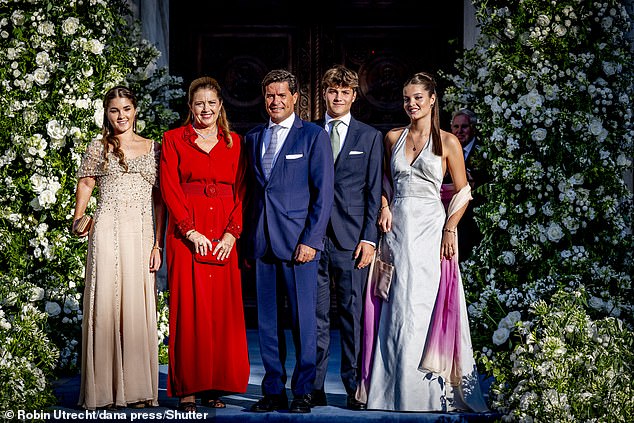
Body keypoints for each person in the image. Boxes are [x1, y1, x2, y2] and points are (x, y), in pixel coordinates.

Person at [361, 72, 488, 412]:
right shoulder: (392, 138)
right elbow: (384, 183)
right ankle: (391, 392)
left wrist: (450, 229)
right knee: (398, 303)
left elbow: (463, 192)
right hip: (398, 230)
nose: (411, 104)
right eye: (406, 98)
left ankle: (431, 394)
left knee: (425, 304)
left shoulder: (448, 142)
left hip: (433, 230)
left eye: (418, 97)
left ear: (432, 99)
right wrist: (385, 206)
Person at [242, 69, 334, 414]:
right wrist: (247, 240)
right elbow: (252, 193)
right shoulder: (252, 137)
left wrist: (311, 239)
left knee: (302, 321)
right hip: (262, 242)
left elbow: (323, 194)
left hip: (300, 246)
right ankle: (273, 389)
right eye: (269, 95)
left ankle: (304, 391)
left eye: (282, 95)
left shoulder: (312, 136)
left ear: (296, 98)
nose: (275, 101)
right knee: (267, 322)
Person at [160, 76, 249, 412]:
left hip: (224, 231)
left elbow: (242, 190)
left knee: (221, 312)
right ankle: (189, 386)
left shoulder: (235, 142)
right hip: (188, 234)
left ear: (221, 106)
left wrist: (231, 233)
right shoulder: (173, 140)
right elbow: (169, 187)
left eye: (212, 103)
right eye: (200, 103)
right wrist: (190, 230)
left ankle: (216, 385)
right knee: (189, 309)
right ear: (190, 106)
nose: (206, 109)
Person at [74, 86, 166, 410]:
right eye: (114, 110)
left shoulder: (154, 147)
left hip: (141, 232)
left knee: (137, 308)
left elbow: (160, 199)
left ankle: (139, 390)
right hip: (107, 231)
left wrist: (158, 243)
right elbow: (86, 181)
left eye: (126, 109)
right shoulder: (98, 147)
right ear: (106, 113)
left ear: (135, 110)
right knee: (107, 305)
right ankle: (104, 392)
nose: (121, 116)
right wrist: (78, 217)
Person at [312, 65, 383, 410]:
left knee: (352, 316)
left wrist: (369, 239)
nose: (337, 97)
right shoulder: (308, 133)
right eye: (332, 91)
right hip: (313, 240)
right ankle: (314, 385)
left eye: (344, 92)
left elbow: (374, 192)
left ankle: (354, 384)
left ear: (354, 96)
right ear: (324, 94)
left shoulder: (369, 137)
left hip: (352, 241)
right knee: (315, 315)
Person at [445, 108, 483, 261]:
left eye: (464, 127)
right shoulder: (446, 149)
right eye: (456, 127)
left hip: (474, 215)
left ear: (472, 128)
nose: (459, 131)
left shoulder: (483, 152)